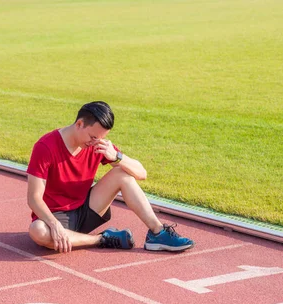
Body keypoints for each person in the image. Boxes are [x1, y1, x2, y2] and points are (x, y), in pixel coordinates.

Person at [27, 101, 195, 253]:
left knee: (122, 173)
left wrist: (116, 156)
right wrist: (55, 225)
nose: (95, 142)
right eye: (93, 137)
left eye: (101, 138)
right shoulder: (45, 147)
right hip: (55, 215)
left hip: (87, 210)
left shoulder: (97, 145)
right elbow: (34, 198)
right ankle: (103, 238)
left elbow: (141, 174)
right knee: (38, 231)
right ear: (79, 124)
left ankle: (158, 232)